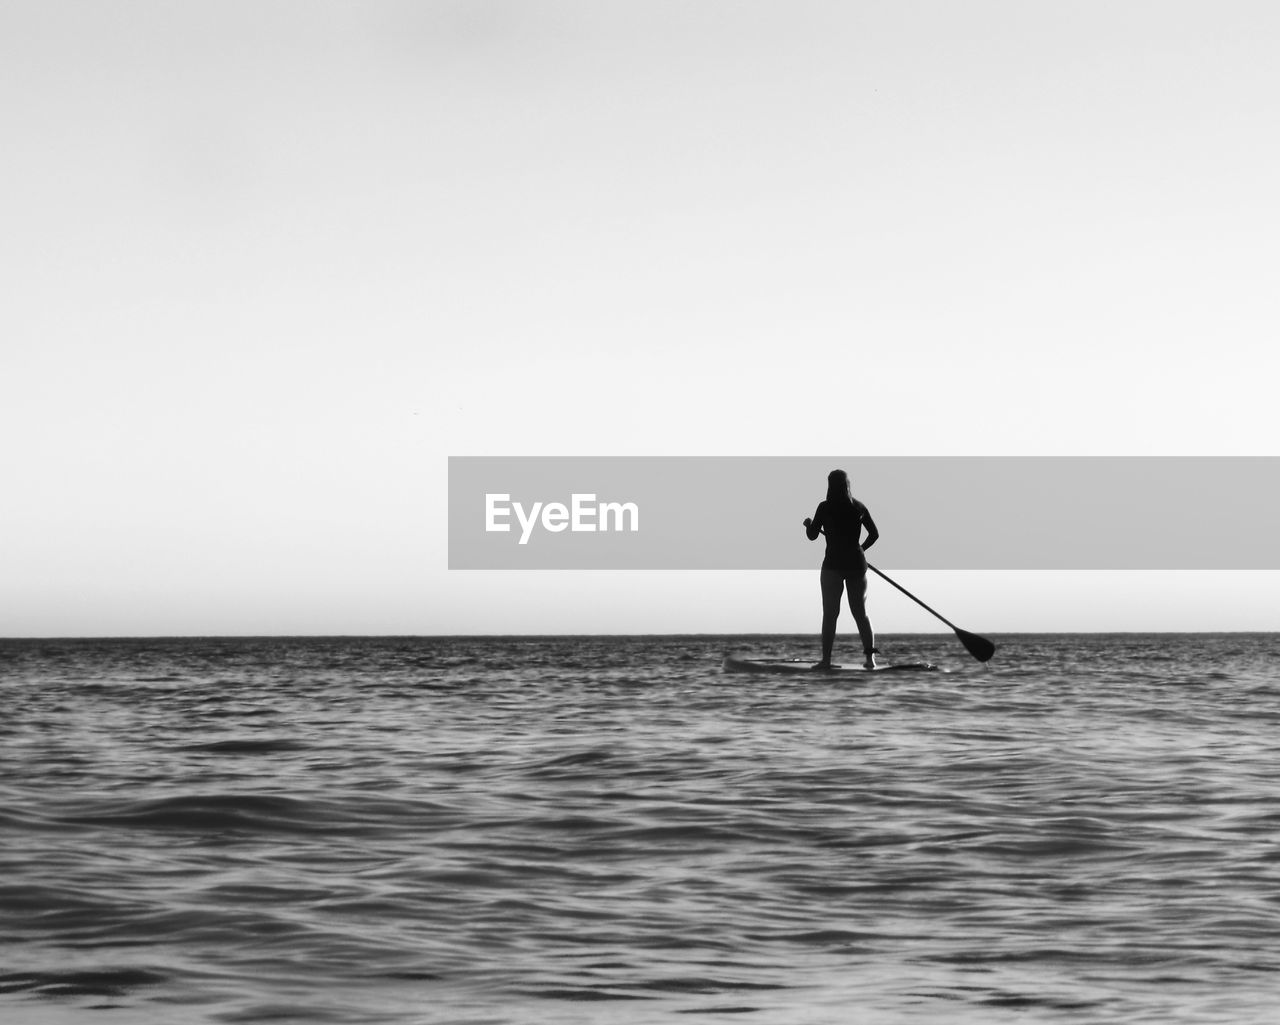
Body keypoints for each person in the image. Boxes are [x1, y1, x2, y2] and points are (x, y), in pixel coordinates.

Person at [803, 469, 880, 669]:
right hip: (856, 564)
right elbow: (874, 534)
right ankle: (870, 660)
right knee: (860, 613)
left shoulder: (825, 507)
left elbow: (812, 536)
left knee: (830, 614)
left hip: (833, 566)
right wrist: (860, 549)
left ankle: (826, 661)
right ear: (848, 485)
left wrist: (809, 525)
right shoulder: (858, 507)